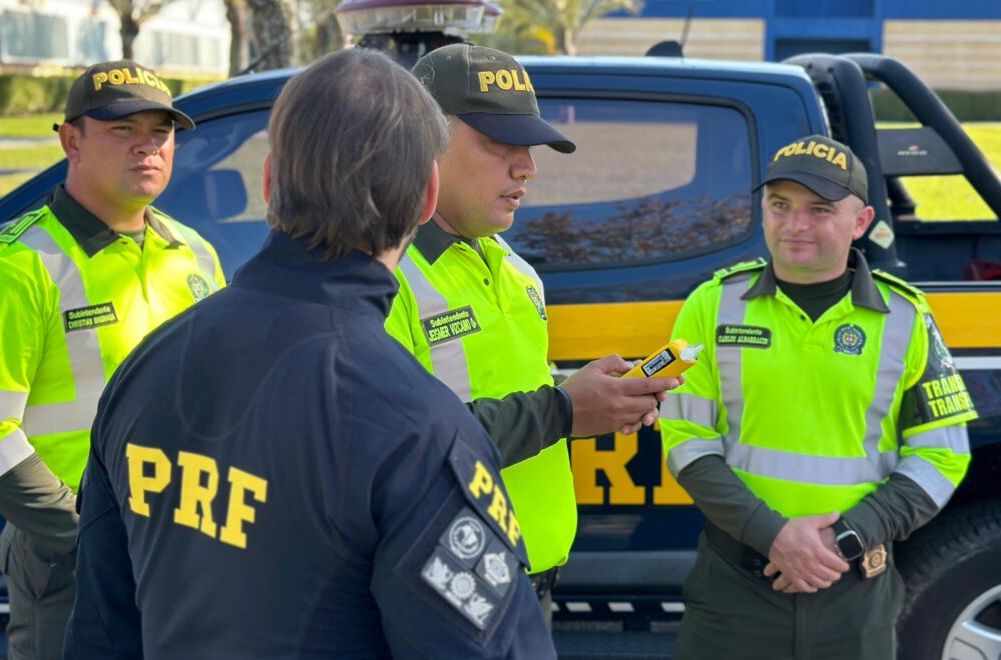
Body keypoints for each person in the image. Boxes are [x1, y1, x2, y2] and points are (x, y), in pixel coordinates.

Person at [63, 48, 556, 659]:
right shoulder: (422, 431)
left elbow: (101, 632)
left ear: (270, 183)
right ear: (427, 196)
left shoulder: (145, 370)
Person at [386, 42, 683, 618]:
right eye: (501, 144)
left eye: (529, 146)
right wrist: (566, 410)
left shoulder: (516, 269)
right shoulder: (382, 275)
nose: (528, 166)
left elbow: (508, 395)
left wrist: (594, 396)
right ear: (423, 137)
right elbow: (396, 451)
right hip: (444, 589)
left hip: (531, 581)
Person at [661, 134, 976, 659]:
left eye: (819, 210)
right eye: (779, 206)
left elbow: (942, 455)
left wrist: (844, 539)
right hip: (733, 592)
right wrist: (774, 535)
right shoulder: (710, 307)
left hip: (855, 593)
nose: (795, 225)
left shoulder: (906, 318)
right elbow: (686, 441)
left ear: (860, 221)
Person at [0, 59, 223, 660]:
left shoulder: (193, 254)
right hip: (68, 563)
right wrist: (85, 535)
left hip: (187, 551)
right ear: (70, 140)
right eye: (122, 129)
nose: (147, 147)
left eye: (160, 132)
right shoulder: (14, 264)